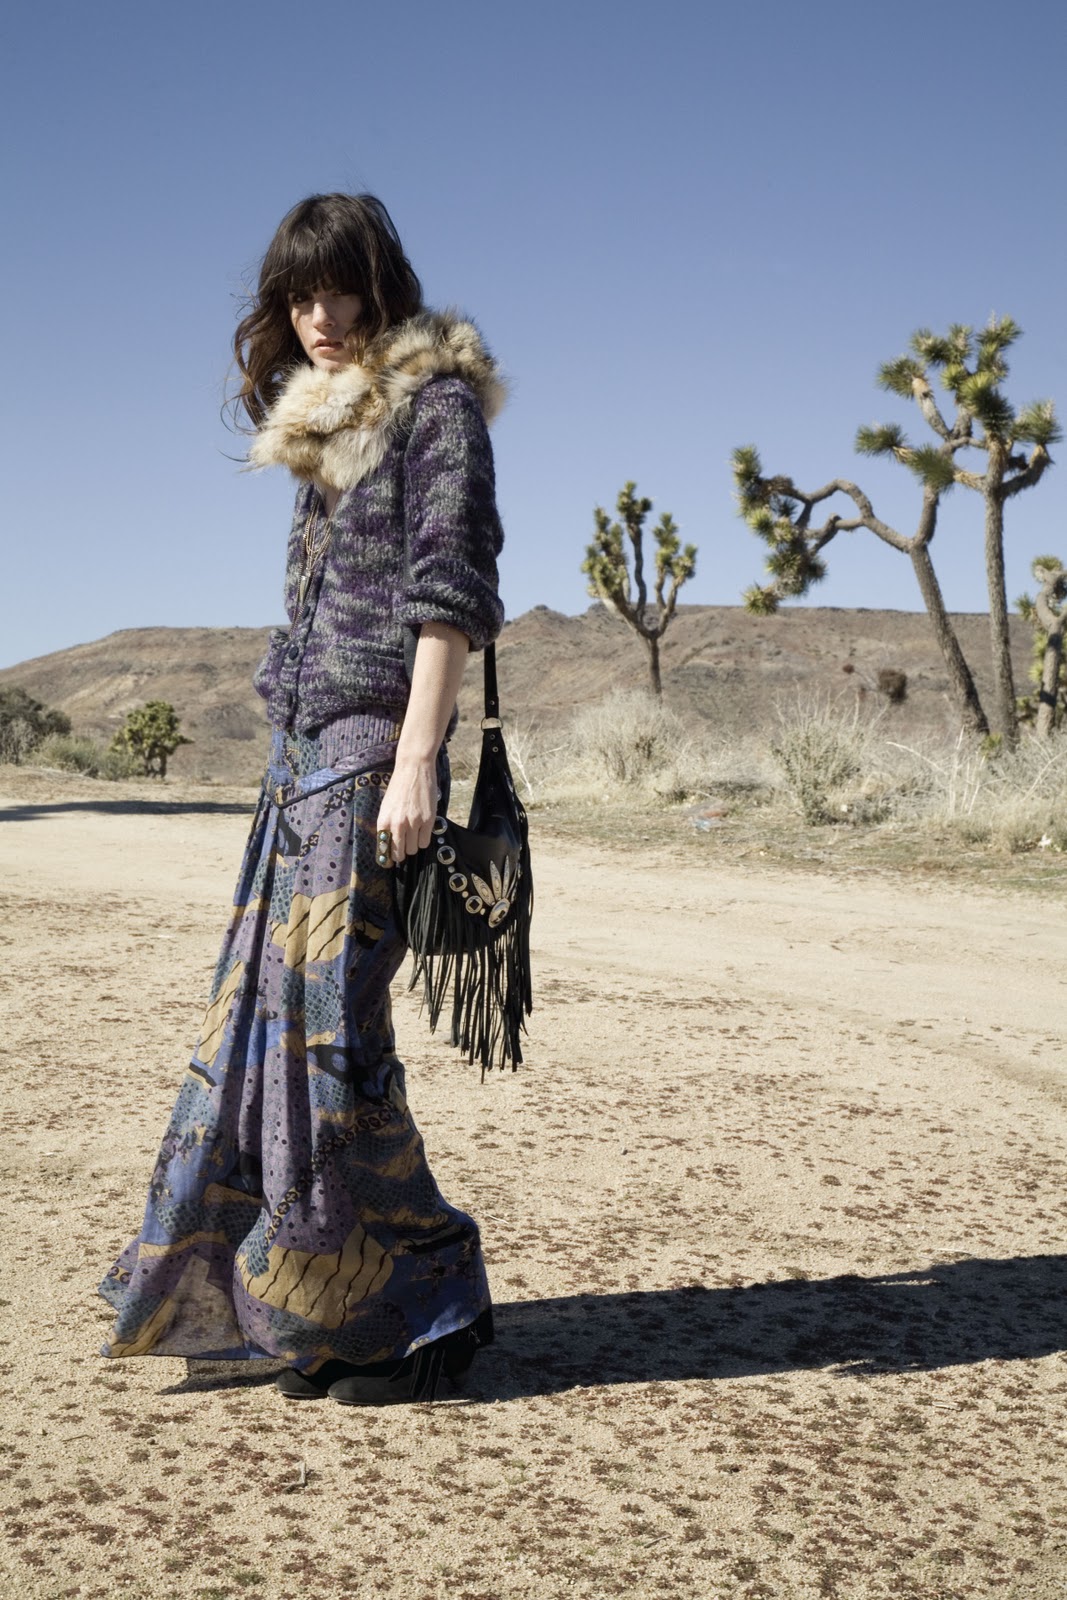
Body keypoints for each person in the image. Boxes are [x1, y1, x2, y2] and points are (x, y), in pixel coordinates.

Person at [98, 193, 507, 1404]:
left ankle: (431, 1299)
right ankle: (334, 1313)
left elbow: (449, 592)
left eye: (339, 290)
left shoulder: (435, 406)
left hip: (373, 757)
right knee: (278, 1038)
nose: (317, 316)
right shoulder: (329, 427)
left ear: (382, 288)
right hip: (301, 764)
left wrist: (417, 759)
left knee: (335, 1044)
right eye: (297, 295)